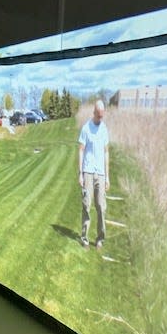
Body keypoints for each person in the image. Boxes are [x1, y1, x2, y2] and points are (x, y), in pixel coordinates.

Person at [78, 100, 110, 249]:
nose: (100, 118)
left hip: (101, 174)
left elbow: (106, 152)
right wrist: (80, 174)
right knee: (87, 205)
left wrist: (107, 177)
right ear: (94, 113)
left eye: (102, 116)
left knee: (101, 207)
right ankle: (84, 237)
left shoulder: (104, 129)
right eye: (98, 115)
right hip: (88, 172)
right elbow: (81, 151)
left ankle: (100, 238)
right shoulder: (86, 128)